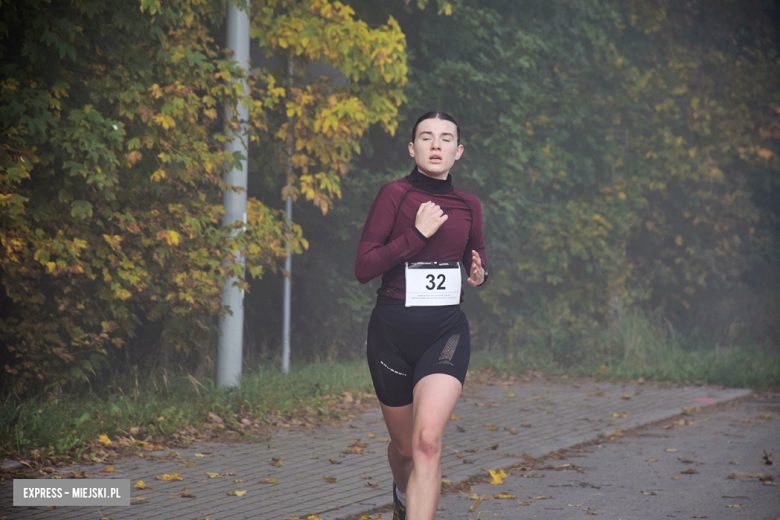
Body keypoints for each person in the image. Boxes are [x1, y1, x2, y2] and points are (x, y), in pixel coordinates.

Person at [355, 111, 489, 520]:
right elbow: (364, 267)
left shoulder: (469, 204)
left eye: (446, 138)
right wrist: (417, 235)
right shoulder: (394, 195)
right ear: (412, 149)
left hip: (445, 332)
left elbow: (476, 257)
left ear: (458, 151)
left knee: (428, 441)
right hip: (391, 337)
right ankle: (401, 492)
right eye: (426, 137)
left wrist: (480, 273)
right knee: (405, 450)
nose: (436, 144)